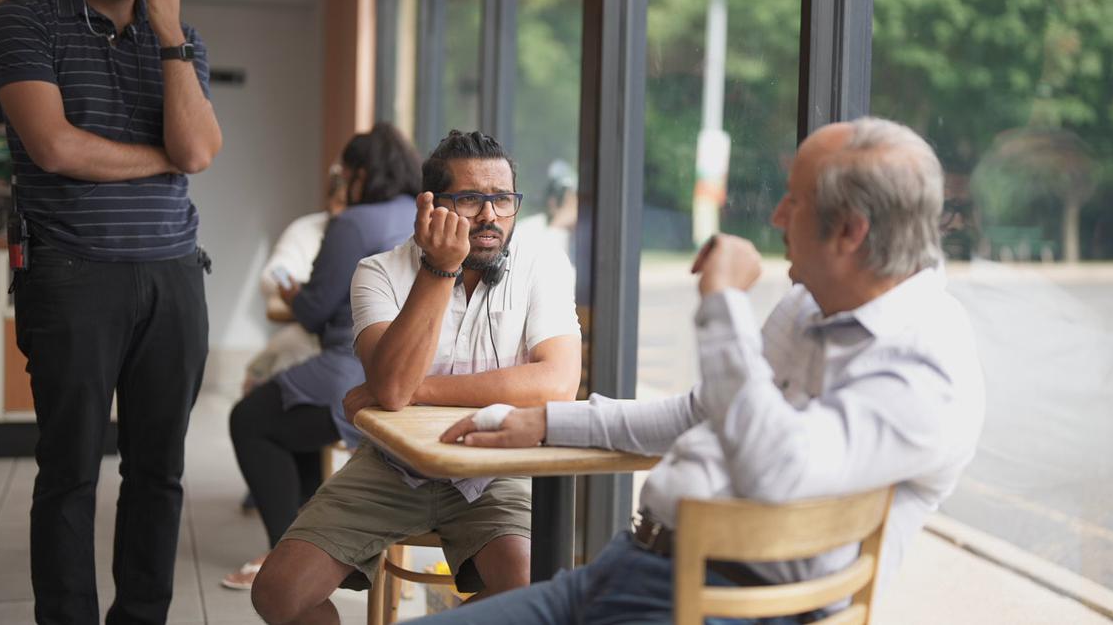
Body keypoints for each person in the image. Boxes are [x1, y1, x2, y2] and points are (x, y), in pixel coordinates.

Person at [411, 118, 987, 625]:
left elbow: (776, 470)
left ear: (850, 231)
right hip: (628, 567)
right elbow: (702, 412)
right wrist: (543, 423)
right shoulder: (812, 304)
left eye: (795, 201)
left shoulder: (928, 369)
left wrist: (722, 302)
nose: (776, 215)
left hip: (724, 606)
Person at [250, 130, 583, 625]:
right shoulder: (378, 272)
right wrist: (439, 268)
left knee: (534, 591)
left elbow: (557, 383)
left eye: (503, 199)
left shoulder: (543, 266)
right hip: (393, 466)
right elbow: (392, 385)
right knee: (277, 594)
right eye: (471, 200)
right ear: (429, 207)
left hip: (497, 466)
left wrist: (416, 392)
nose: (490, 215)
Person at [0, 0, 222, 623]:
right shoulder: (25, 19)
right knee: (70, 473)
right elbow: (54, 146)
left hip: (174, 277)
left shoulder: (182, 37)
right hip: (70, 274)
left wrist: (172, 37)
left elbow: (199, 151)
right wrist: (162, 158)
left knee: (159, 473)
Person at [223, 124, 421, 590]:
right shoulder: (420, 215)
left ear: (361, 174)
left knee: (249, 420)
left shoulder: (353, 223)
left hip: (354, 368)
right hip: (411, 373)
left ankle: (287, 555)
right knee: (292, 424)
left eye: (345, 173)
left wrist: (295, 294)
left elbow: (313, 311)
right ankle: (318, 545)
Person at [241, 170, 350, 398]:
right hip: (308, 332)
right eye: (339, 202)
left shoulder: (363, 232)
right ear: (329, 199)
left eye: (349, 204)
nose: (343, 211)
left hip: (348, 343)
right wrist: (307, 290)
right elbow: (274, 274)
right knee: (286, 353)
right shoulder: (307, 229)